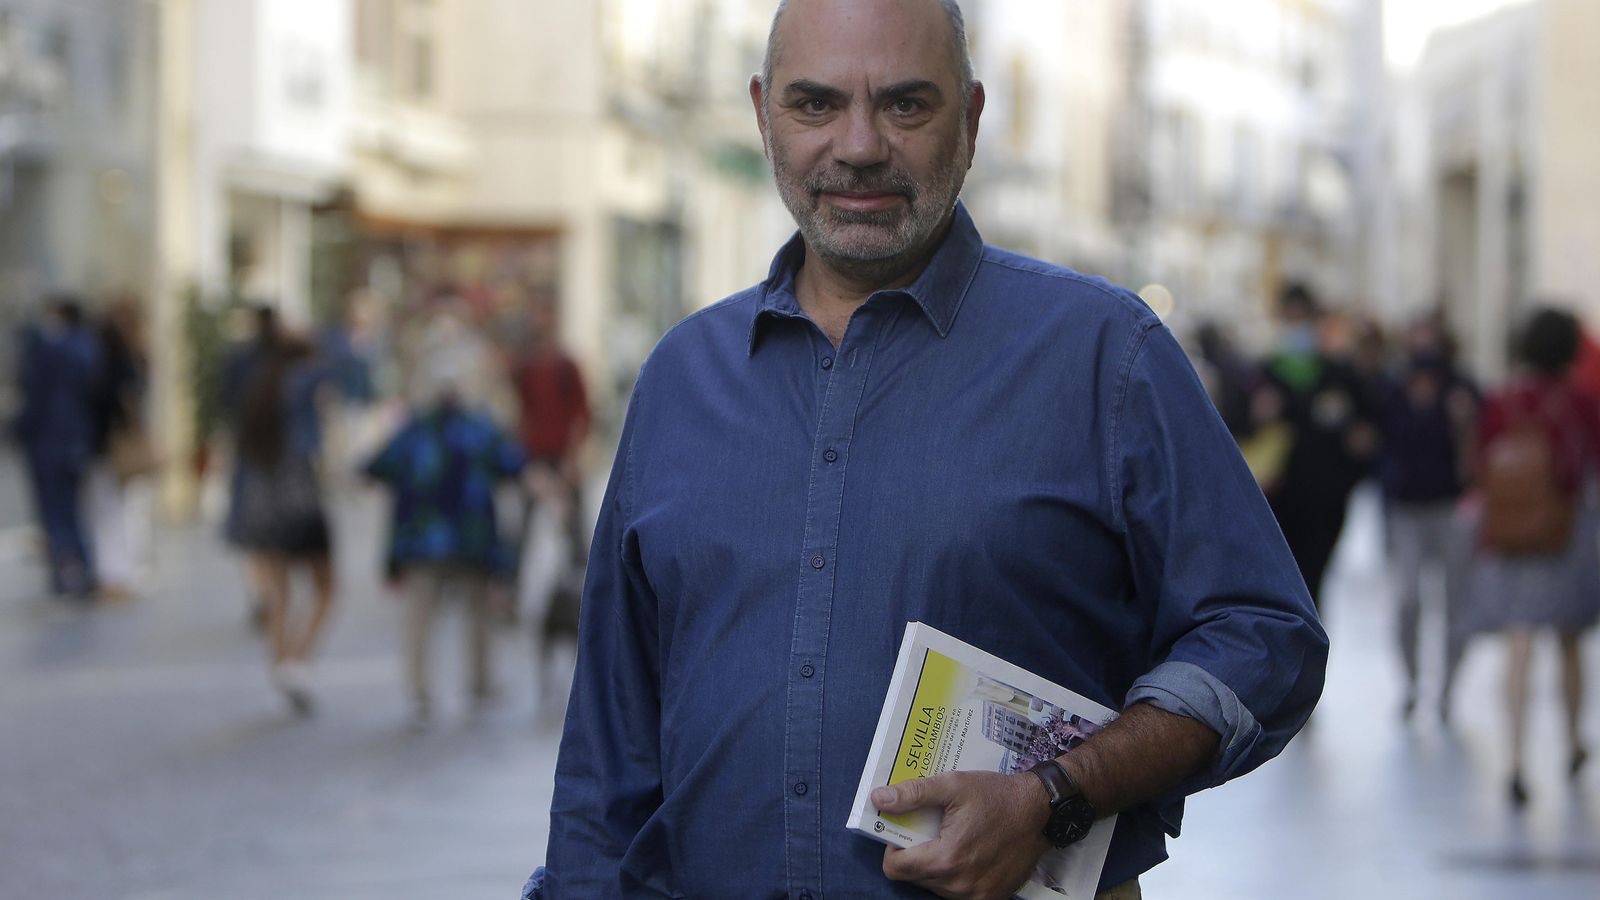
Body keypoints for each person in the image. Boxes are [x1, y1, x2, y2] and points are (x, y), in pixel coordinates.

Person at [533, 1, 1327, 898]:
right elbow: (609, 748)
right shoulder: (681, 378)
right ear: (763, 114)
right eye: (816, 105)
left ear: (974, 118)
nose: (861, 145)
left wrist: (1056, 793)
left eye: (907, 106)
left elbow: (1266, 637)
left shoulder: (1104, 356)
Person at [364, 340, 528, 727]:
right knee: (477, 612)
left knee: (421, 616)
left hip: (423, 541)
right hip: (473, 539)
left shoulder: (415, 430)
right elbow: (513, 463)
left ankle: (420, 691)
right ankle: (480, 682)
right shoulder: (479, 429)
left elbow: (375, 466)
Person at [1471, 307, 1597, 807]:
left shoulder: (1504, 400)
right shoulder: (1583, 402)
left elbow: (1480, 460)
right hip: (1565, 533)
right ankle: (1571, 743)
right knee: (1570, 641)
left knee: (1518, 643)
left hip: (1512, 532)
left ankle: (1516, 758)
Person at [231, 331, 336, 714]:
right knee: (326, 586)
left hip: (264, 504)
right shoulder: (304, 385)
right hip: (301, 500)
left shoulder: (259, 389)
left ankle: (280, 663)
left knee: (279, 590)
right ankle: (299, 658)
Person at [1258, 283, 1379, 610]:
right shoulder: (1265, 375)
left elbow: (1365, 433)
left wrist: (1348, 473)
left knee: (1313, 584)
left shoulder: (1339, 375)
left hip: (1325, 501)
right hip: (1277, 500)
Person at [10, 297, 103, 598]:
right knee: (73, 509)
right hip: (77, 440)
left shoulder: (49, 350)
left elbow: (35, 399)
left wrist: (17, 430)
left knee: (55, 511)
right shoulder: (88, 348)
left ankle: (67, 572)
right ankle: (81, 568)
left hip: (49, 443)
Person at [86, 296, 155, 602]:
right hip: (108, 445)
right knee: (115, 510)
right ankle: (118, 572)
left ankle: (117, 574)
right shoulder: (123, 357)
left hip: (112, 445)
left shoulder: (119, 359)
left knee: (114, 511)